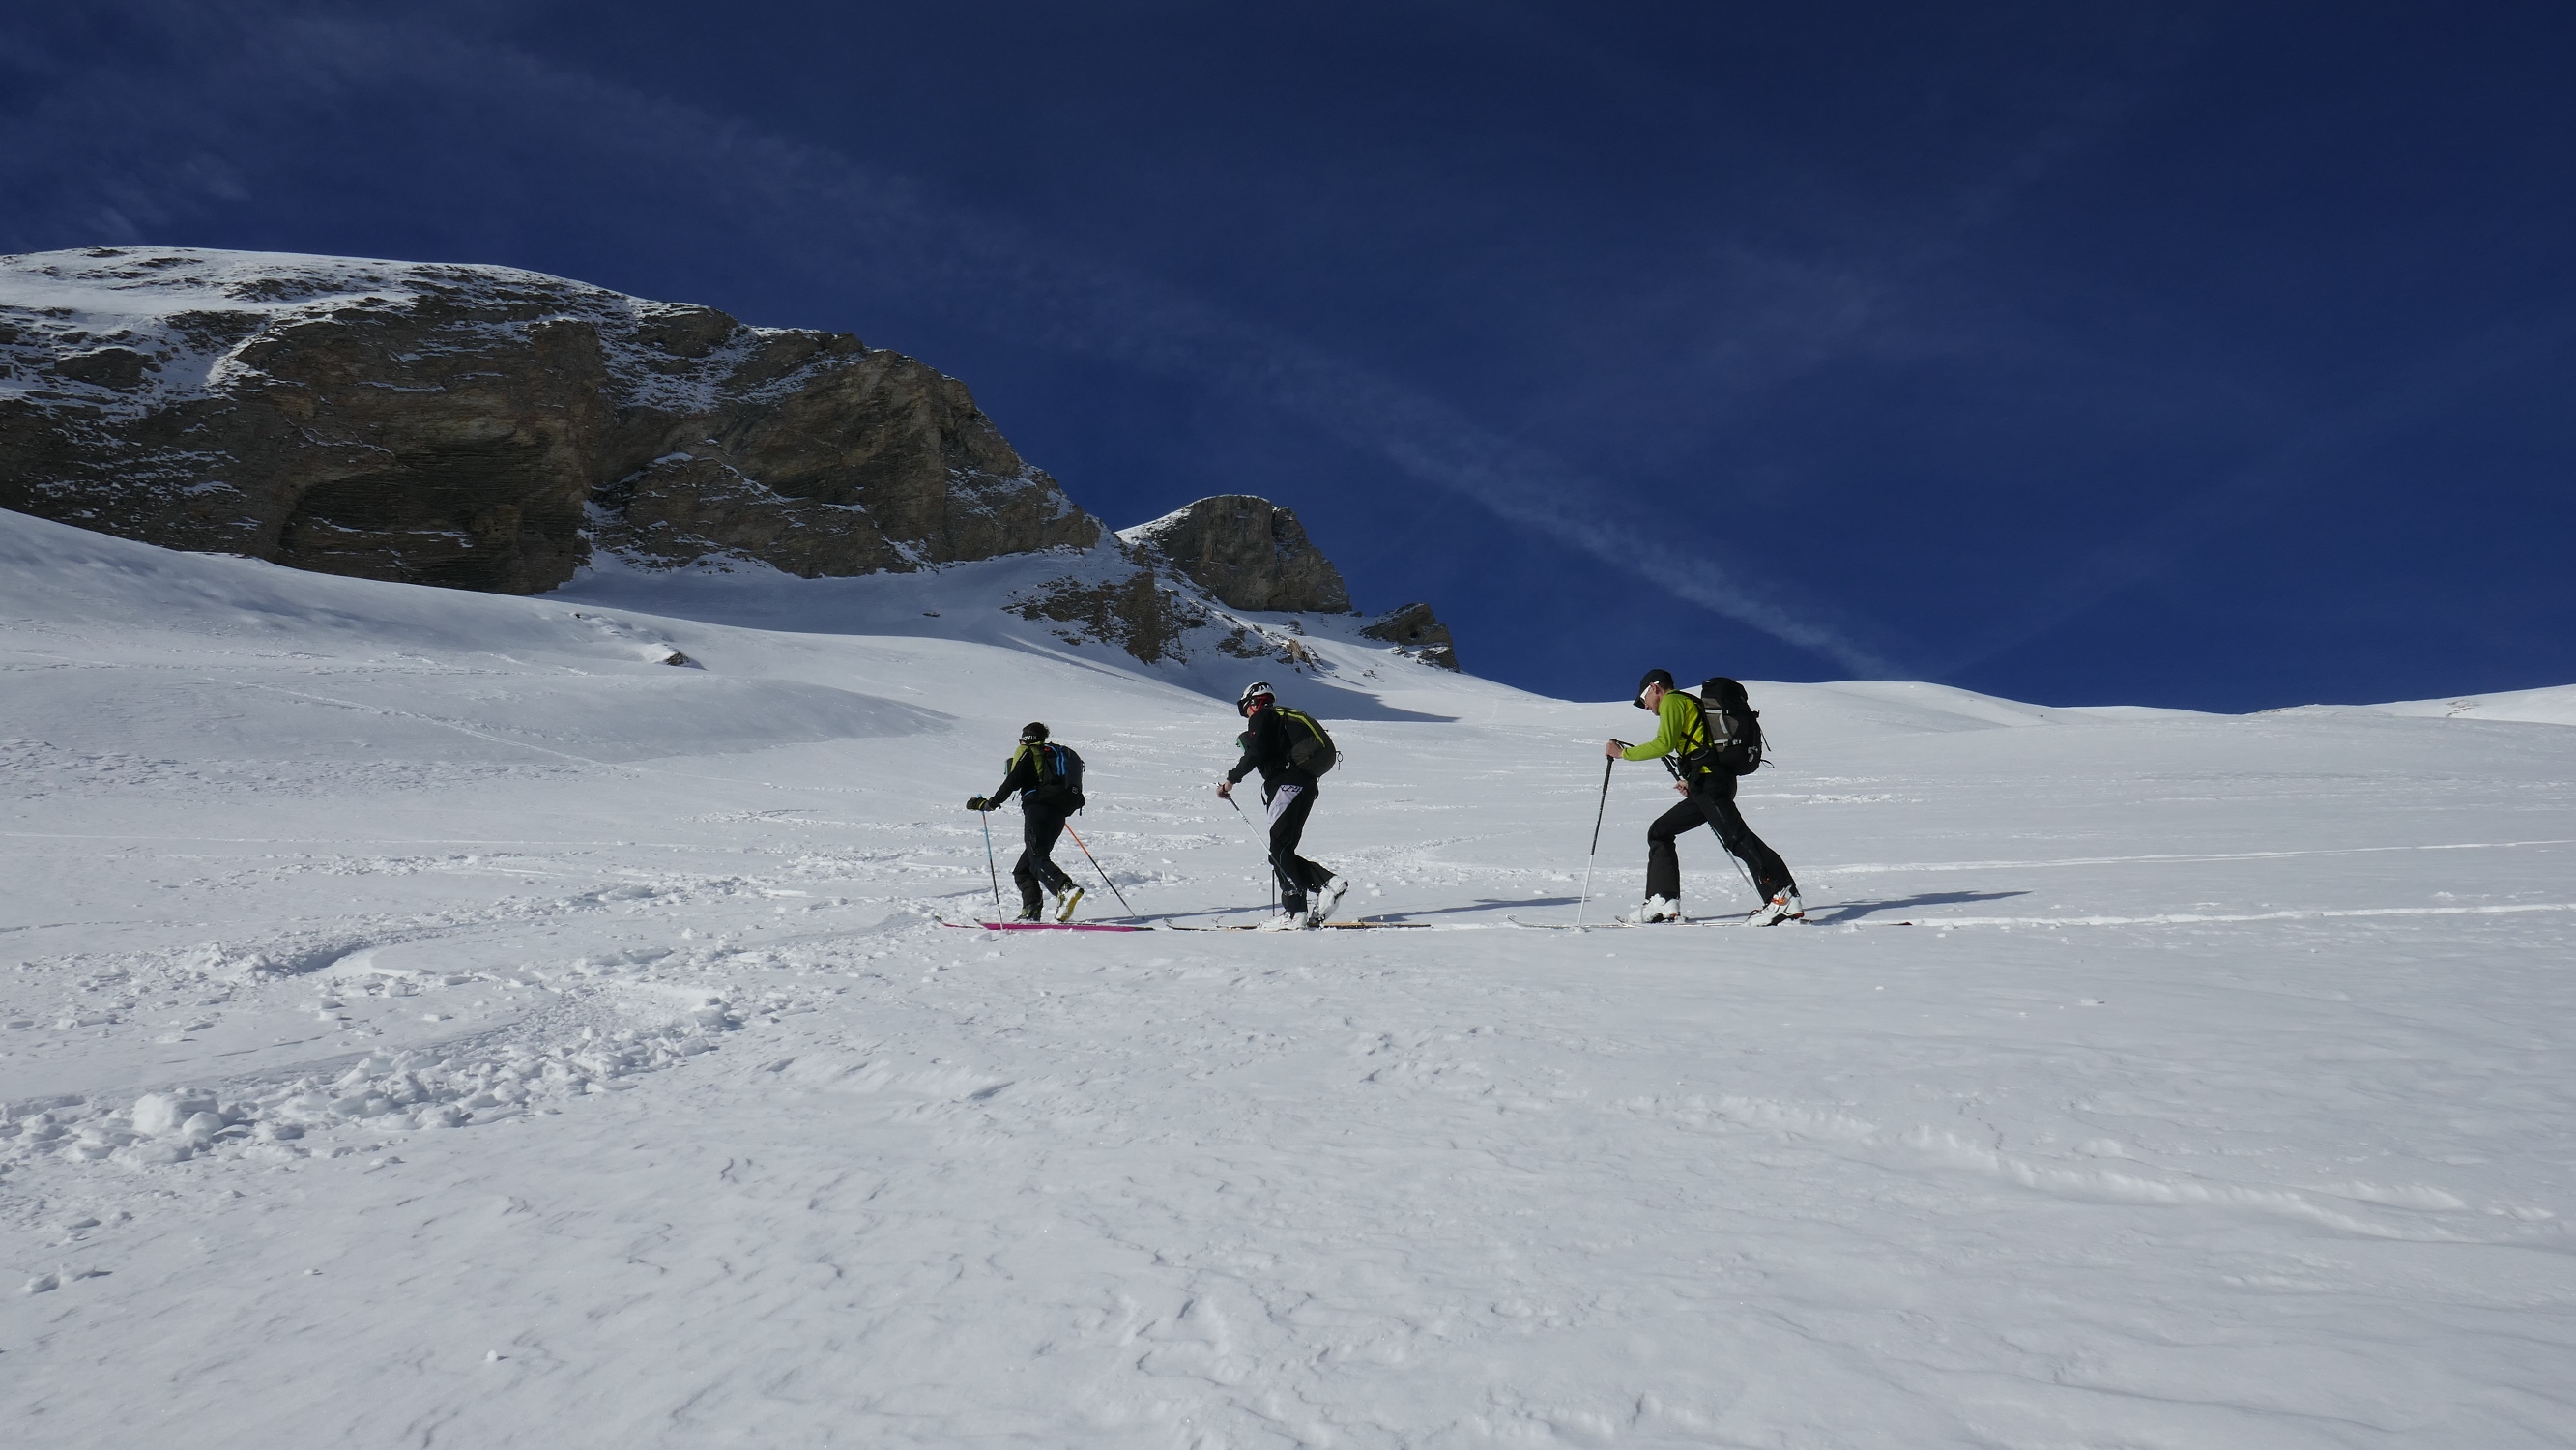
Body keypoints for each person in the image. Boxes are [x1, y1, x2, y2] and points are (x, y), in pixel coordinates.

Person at [1604, 669, 1803, 925]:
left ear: (1654, 688)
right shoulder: (1688, 703)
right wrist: (1689, 779)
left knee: (1737, 837)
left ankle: (1782, 896)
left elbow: (1663, 744)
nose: (1645, 707)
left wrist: (1623, 754)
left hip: (1711, 782)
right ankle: (1662, 900)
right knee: (1660, 831)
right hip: (1705, 782)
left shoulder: (1673, 701)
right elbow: (1700, 745)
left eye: (1643, 699)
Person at [1216, 681, 1347, 930]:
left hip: (1286, 786)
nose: (1247, 715)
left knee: (1279, 850)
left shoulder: (1263, 715)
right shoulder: (1281, 719)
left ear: (1253, 701)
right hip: (1306, 785)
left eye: (1246, 709)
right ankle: (1326, 884)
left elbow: (1254, 753)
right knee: (1282, 849)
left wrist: (1231, 780)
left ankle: (1296, 912)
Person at [968, 722, 1084, 922]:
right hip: (1058, 814)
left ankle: (1066, 888)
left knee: (1038, 859)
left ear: (1026, 736)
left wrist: (990, 804)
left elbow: (1013, 780)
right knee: (1023, 869)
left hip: (1037, 809)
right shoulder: (1052, 757)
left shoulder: (1029, 752)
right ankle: (1031, 910)